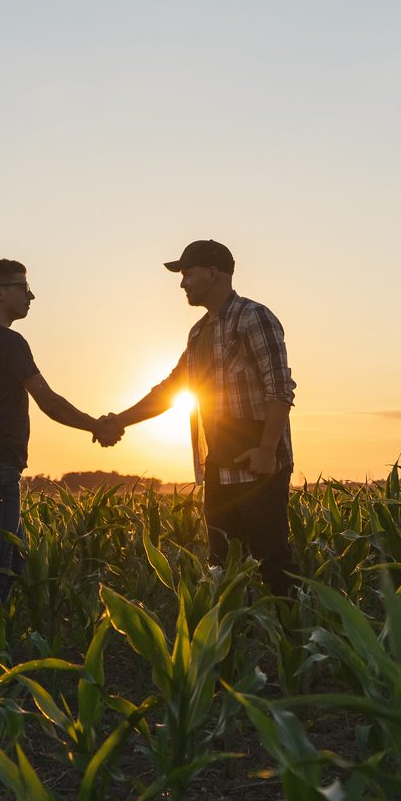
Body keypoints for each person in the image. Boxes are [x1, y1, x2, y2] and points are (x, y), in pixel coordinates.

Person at [0, 259, 119, 662]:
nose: (31, 295)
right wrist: (96, 426)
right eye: (22, 287)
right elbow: (49, 402)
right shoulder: (8, 343)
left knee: (13, 558)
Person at [100, 240, 296, 594]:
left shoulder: (255, 317)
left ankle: (292, 641)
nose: (182, 283)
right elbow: (172, 389)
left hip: (260, 468)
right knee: (222, 568)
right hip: (220, 467)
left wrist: (268, 450)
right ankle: (234, 643)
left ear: (213, 273)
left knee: (273, 561)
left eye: (187, 274)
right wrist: (119, 421)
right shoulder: (199, 333)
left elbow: (279, 388)